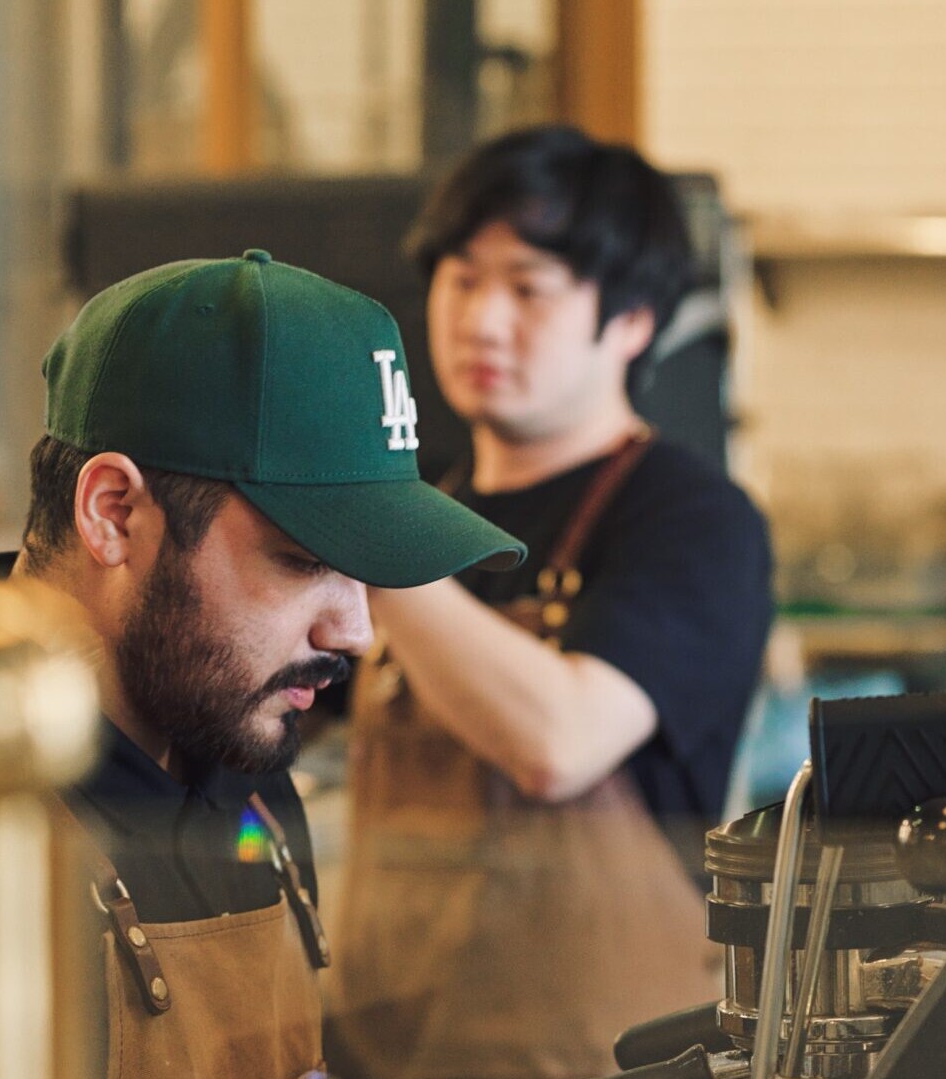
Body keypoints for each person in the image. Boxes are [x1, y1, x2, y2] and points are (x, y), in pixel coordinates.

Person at [0, 249, 524, 1079]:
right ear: (113, 513)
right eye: (303, 562)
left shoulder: (244, 766)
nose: (355, 632)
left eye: (364, 572)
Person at [325, 126, 774, 1079]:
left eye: (528, 288)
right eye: (461, 276)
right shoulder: (431, 512)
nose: (482, 320)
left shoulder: (694, 517)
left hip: (604, 1057)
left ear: (632, 321)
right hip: (388, 1049)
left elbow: (559, 742)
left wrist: (372, 530)